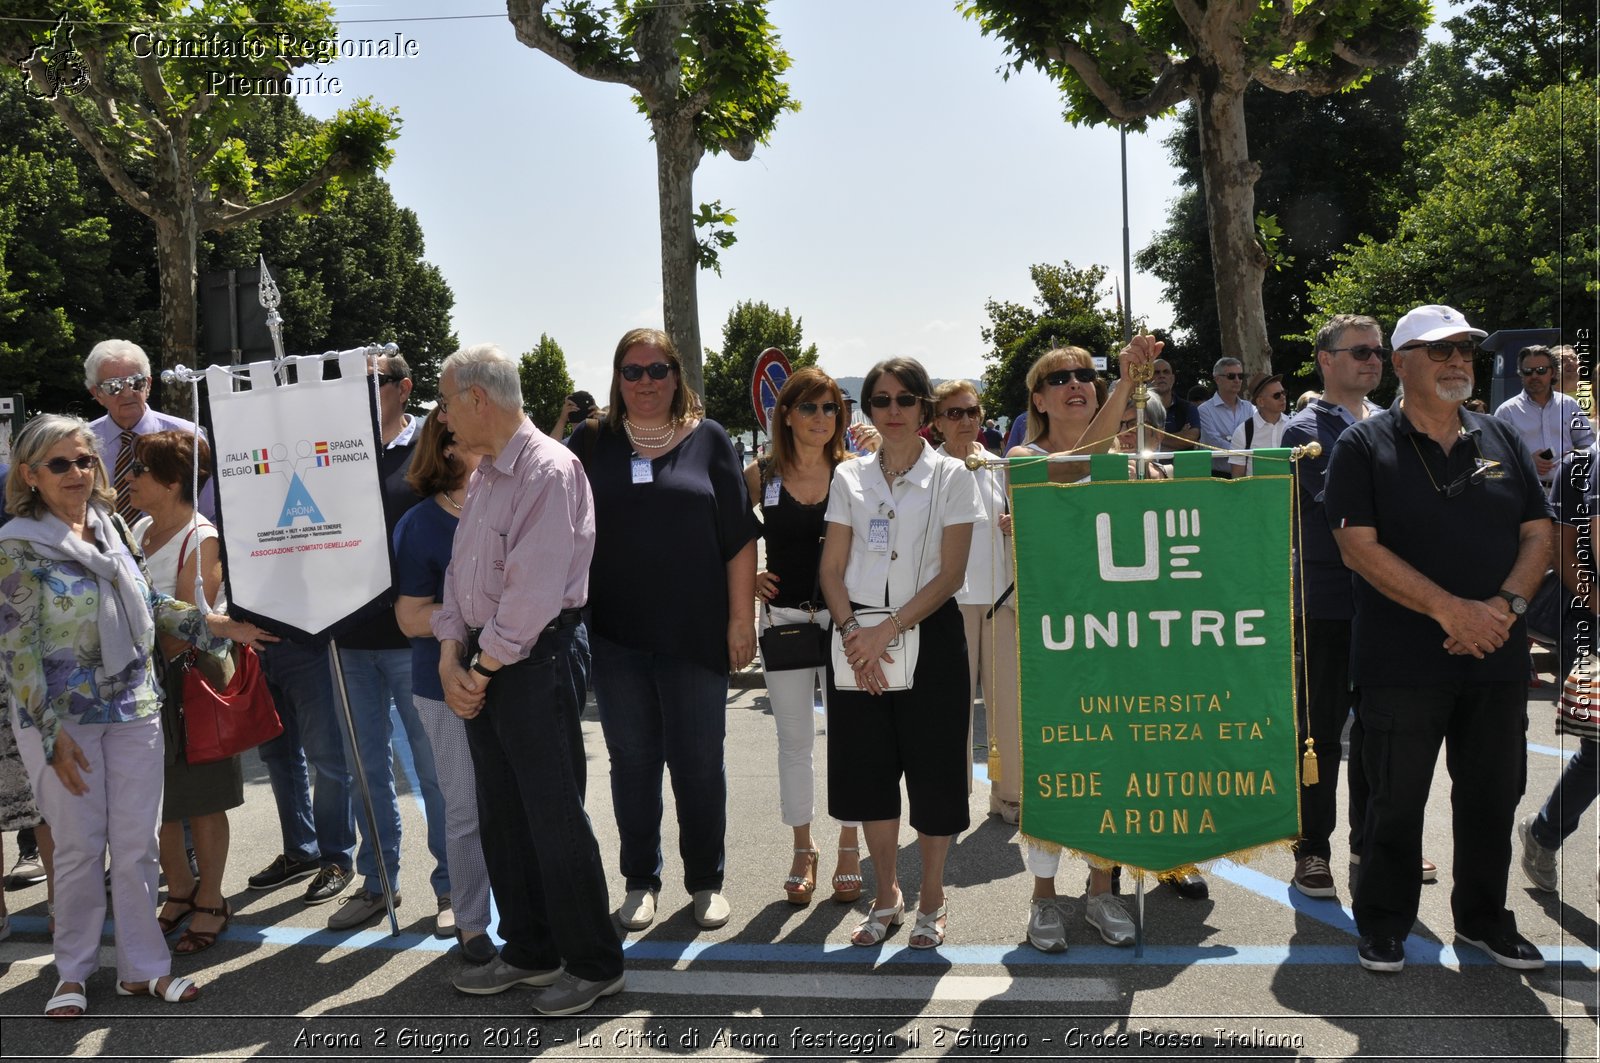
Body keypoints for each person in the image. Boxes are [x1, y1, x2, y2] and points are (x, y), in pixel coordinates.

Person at [0, 414, 272, 1018]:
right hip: (62, 721)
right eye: (60, 464)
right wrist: (47, 735)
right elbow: (16, 649)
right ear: (30, 475)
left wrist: (218, 626)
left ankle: (143, 970)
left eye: (85, 461)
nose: (77, 473)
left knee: (138, 846)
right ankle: (71, 974)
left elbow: (149, 603)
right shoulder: (16, 543)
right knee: (76, 850)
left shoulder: (112, 525)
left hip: (134, 708)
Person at [1325, 303, 1552, 973]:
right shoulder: (1364, 445)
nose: (1458, 362)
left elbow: (1538, 532)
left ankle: (1485, 919)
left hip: (1496, 654)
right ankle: (1385, 921)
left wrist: (1503, 609)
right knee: (1395, 800)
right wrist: (1452, 611)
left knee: (1491, 795)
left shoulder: (1498, 436)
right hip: (1402, 660)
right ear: (1400, 363)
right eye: (1440, 351)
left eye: (1465, 351)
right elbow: (1356, 547)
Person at [431, 344, 624, 1015]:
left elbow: (533, 592)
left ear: (479, 399)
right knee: (503, 814)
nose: (443, 416)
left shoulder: (549, 470)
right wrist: (450, 652)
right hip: (490, 658)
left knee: (551, 814)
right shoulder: (486, 474)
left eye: (447, 400)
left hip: (533, 656)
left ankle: (594, 960)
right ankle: (533, 949)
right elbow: (460, 577)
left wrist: (477, 667)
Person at [572, 328, 760, 933]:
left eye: (657, 370)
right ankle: (640, 880)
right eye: (632, 371)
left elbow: (737, 541)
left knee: (700, 761)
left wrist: (740, 620)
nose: (645, 382)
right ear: (617, 379)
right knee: (631, 762)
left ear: (677, 376)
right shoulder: (591, 440)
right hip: (615, 634)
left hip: (697, 633)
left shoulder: (710, 440)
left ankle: (705, 881)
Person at [821, 356, 983, 950]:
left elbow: (952, 574)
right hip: (857, 641)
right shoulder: (848, 477)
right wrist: (853, 638)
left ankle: (933, 896)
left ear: (925, 411)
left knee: (935, 774)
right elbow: (832, 569)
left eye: (904, 400)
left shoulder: (952, 477)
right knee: (869, 775)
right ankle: (886, 893)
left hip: (928, 638)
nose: (892, 411)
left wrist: (886, 630)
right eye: (880, 400)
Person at [1005, 344, 1152, 947]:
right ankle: (1044, 899)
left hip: (1121, 634)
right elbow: (1069, 468)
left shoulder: (1137, 457)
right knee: (1054, 765)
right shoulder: (1020, 455)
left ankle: (1100, 891)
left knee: (1114, 759)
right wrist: (1123, 387)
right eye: (1058, 378)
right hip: (1051, 636)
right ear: (1037, 399)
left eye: (1086, 376)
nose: (1076, 384)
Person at [325, 353, 452, 935]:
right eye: (355, 383)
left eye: (374, 382)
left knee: (436, 772)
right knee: (364, 771)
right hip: (348, 637)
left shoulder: (432, 444)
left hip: (414, 641)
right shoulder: (330, 450)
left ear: (404, 387)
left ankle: (454, 888)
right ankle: (378, 883)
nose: (363, 391)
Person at [744, 369, 863, 906]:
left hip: (847, 625)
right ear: (786, 414)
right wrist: (748, 577)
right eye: (810, 408)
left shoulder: (855, 473)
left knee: (852, 740)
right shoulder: (758, 474)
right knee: (794, 743)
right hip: (785, 621)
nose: (821, 419)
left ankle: (848, 847)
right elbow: (725, 539)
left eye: (831, 408)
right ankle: (802, 848)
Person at [1279, 314, 1387, 900]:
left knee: (1380, 729)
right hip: (1325, 601)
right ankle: (1312, 848)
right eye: (1360, 351)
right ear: (1326, 360)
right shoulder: (1304, 430)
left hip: (1387, 603)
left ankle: (1370, 840)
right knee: (1318, 732)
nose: (1373, 360)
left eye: (1378, 351)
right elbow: (1337, 509)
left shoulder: (1392, 422)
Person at [127, 430, 241, 955]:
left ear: (173, 483)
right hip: (144, 682)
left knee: (201, 798)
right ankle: (180, 891)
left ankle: (212, 899)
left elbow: (191, 619)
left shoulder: (202, 536)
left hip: (185, 679)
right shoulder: (140, 526)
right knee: (160, 801)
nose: (131, 479)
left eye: (141, 471)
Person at [393, 410, 497, 964]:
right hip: (443, 688)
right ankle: (473, 924)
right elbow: (409, 618)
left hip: (517, 680)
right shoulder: (419, 525)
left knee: (526, 806)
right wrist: (476, 614)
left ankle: (535, 913)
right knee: (464, 811)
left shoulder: (514, 506)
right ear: (451, 448)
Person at [931, 380, 1020, 824]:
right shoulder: (930, 469)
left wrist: (1013, 524)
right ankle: (952, 796)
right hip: (952, 602)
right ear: (937, 422)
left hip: (1000, 598)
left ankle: (1008, 796)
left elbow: (1015, 522)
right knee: (952, 709)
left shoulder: (997, 462)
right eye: (953, 413)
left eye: (971, 411)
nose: (965, 420)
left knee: (1007, 706)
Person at [1518, 441, 1598, 891]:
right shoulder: (1580, 468)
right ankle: (1544, 833)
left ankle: (1543, 831)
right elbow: (1558, 548)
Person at [83, 339, 215, 521]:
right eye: (114, 386)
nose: (128, 393)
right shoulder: (82, 442)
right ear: (97, 394)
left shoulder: (186, 436)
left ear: (149, 385)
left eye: (136, 382)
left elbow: (211, 513)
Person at [1493, 344, 1595, 491]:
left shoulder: (1569, 405)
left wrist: (1575, 456)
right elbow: (1494, 461)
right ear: (1520, 374)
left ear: (1552, 372)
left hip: (1567, 489)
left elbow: (1588, 443)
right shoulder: (1507, 411)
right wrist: (1527, 462)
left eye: (1541, 370)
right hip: (1527, 492)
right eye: (1528, 371)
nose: (1534, 376)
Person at [1197, 356, 1255, 476]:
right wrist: (1244, 450)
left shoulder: (1249, 408)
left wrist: (1232, 443)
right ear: (1217, 379)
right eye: (1231, 376)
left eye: (1240, 376)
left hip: (1247, 474)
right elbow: (1213, 442)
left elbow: (1256, 437)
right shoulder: (1205, 410)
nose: (1237, 380)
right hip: (1218, 475)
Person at [1229, 374, 1289, 478]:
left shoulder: (1292, 426)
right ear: (1261, 402)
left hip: (1290, 492)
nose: (1283, 397)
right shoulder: (1243, 432)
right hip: (1255, 493)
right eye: (1277, 395)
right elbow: (1237, 478)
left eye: (1284, 393)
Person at [1150, 358, 1201, 450]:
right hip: (1147, 464)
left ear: (1172, 379)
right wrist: (1180, 436)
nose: (1162, 376)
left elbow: (1191, 438)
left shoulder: (1188, 408)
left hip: (1182, 464)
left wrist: (1152, 437)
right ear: (1148, 379)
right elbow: (1136, 438)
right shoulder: (1139, 409)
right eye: (1156, 372)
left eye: (1166, 372)